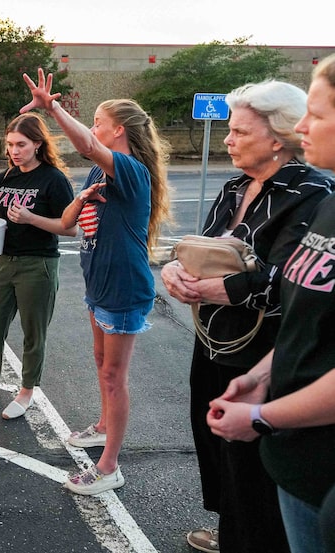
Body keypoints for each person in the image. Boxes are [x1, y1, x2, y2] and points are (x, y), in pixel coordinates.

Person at [161, 80, 332, 553]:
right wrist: (175, 271)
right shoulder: (235, 185)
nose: (228, 140)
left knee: (252, 464)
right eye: (229, 131)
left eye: (238, 132)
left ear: (278, 136)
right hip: (216, 341)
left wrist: (221, 288)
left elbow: (290, 281)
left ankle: (249, 535)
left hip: (265, 350)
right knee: (217, 443)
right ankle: (233, 528)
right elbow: (203, 246)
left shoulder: (312, 193)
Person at [206, 53, 335, 553]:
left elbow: (274, 283)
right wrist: (261, 377)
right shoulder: (331, 207)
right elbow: (310, 324)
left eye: (318, 114)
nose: (303, 125)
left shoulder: (310, 192)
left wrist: (263, 417)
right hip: (296, 461)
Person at [21, 68, 171, 495]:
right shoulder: (96, 175)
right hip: (98, 285)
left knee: (113, 376)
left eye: (99, 121)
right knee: (100, 364)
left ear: (117, 130)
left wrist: (51, 109)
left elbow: (85, 143)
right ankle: (104, 426)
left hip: (124, 289)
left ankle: (109, 467)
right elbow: (69, 224)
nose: (92, 128)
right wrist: (81, 199)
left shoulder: (130, 169)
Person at [0, 112, 75, 419]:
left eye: (21, 144)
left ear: (38, 144)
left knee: (33, 332)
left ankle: (26, 391)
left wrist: (31, 218)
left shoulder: (53, 180)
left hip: (37, 264)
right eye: (10, 144)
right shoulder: (5, 178)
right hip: (0, 261)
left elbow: (70, 228)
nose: (14, 150)